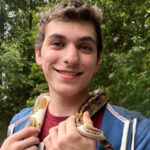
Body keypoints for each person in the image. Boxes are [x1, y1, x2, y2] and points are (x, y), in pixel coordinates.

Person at [1, 0, 150, 150]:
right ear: (38, 54)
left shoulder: (138, 133)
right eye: (57, 43)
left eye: (85, 47)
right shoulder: (17, 125)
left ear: (98, 60)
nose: (71, 59)